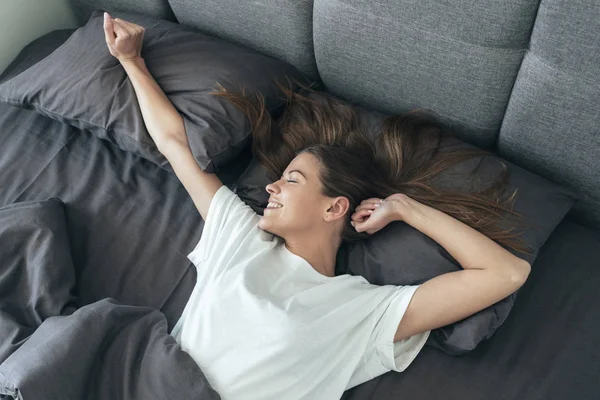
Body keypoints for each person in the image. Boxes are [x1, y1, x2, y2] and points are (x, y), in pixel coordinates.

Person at [103, 13, 532, 399]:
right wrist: (132, 61)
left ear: (334, 209)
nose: (270, 187)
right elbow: (175, 144)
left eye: (292, 179)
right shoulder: (238, 235)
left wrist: (406, 208)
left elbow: (507, 273)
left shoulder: (363, 312)